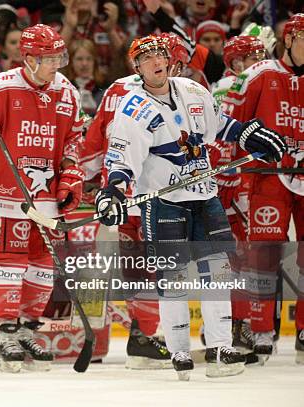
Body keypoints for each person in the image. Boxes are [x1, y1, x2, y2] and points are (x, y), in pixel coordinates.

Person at [94, 35, 286, 380]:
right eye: (147, 58)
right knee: (174, 278)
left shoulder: (193, 91)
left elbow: (222, 125)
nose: (156, 62)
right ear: (136, 67)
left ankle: (221, 347)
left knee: (219, 275)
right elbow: (122, 162)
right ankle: (180, 351)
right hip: (164, 201)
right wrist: (113, 191)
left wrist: (247, 134)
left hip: (205, 196)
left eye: (160, 55)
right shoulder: (132, 108)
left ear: (170, 60)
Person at [0, 23, 84, 373]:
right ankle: (7, 332)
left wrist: (71, 173)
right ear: (28, 59)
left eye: (60, 56)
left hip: (47, 196)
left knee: (43, 266)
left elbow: (76, 137)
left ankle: (28, 328)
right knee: (10, 263)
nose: (57, 64)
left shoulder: (67, 91)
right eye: (49, 58)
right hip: (6, 193)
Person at [81, 33, 190, 371]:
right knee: (149, 267)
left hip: (134, 192)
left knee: (142, 267)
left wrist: (89, 178)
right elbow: (101, 133)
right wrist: (88, 180)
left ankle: (141, 336)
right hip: (140, 192)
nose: (163, 63)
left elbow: (96, 137)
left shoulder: (180, 91)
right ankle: (142, 336)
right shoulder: (130, 90)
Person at [223, 13, 304, 364]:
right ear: (289, 40)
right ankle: (260, 330)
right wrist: (225, 172)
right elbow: (225, 117)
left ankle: (303, 330)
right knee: (263, 256)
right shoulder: (259, 73)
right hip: (267, 175)